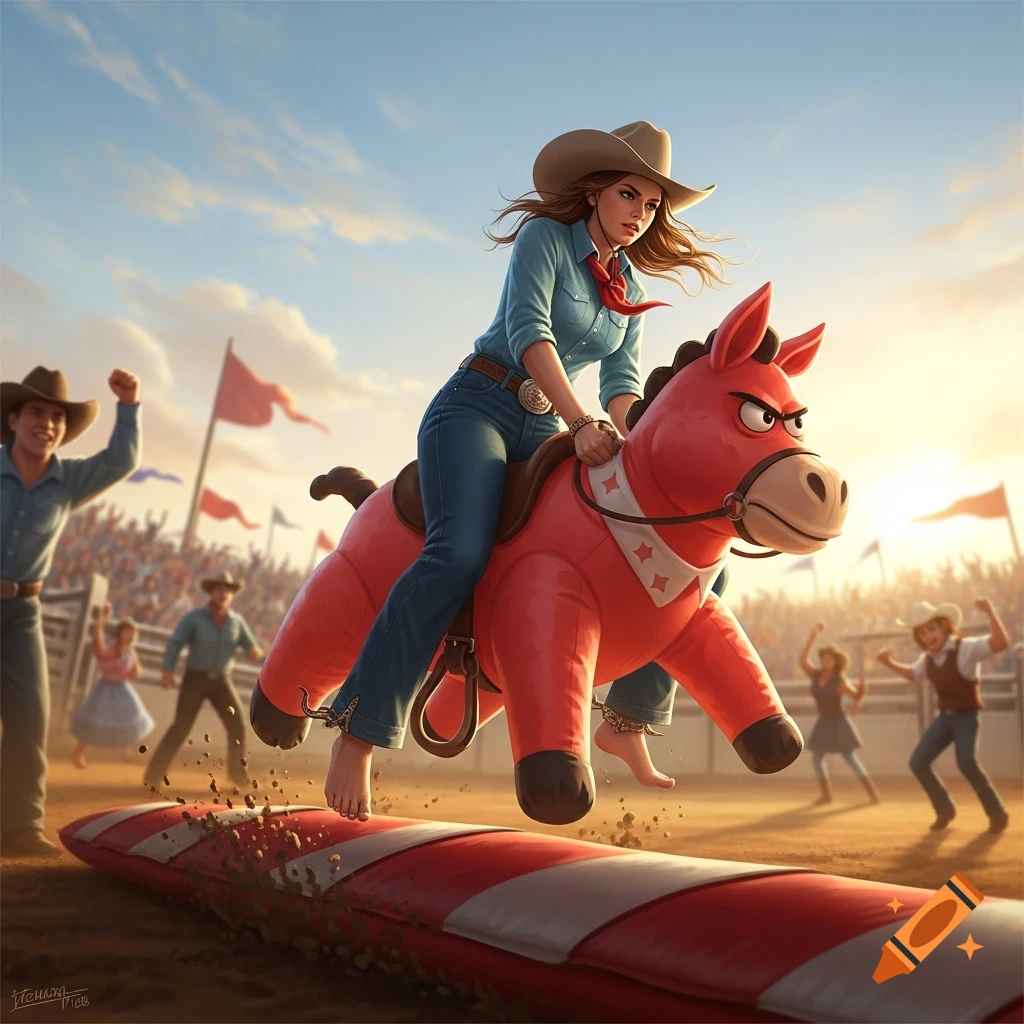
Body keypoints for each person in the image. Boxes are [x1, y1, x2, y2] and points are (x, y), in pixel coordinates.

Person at [323, 120, 733, 821]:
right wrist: (580, 424)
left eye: (653, 205)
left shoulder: (629, 284)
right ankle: (357, 735)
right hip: (479, 406)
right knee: (456, 552)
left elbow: (624, 386)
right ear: (597, 191)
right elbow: (528, 334)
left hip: (554, 424)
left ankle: (627, 721)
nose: (640, 214)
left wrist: (644, 451)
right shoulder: (547, 237)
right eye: (630, 195)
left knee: (669, 547)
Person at [0, 365, 141, 857]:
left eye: (57, 416)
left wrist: (128, 407)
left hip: (23, 613)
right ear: (13, 419)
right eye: (36, 412)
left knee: (31, 716)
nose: (48, 423)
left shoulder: (70, 480)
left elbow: (122, 459)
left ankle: (20, 825)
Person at [878, 598, 1010, 833]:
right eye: (922, 633)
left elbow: (1000, 643)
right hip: (945, 718)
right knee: (918, 762)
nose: (928, 636)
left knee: (967, 763)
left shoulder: (966, 647)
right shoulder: (927, 658)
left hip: (967, 716)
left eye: (931, 629)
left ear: (944, 627)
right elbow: (913, 675)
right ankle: (944, 809)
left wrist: (990, 610)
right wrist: (889, 663)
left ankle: (997, 813)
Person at [144, 572, 263, 789]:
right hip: (195, 679)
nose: (223, 594)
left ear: (231, 595)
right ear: (212, 592)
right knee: (181, 726)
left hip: (222, 681)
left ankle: (238, 776)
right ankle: (153, 776)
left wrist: (254, 651)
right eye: (219, 590)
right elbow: (176, 642)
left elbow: (250, 645)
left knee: (237, 725)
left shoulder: (237, 622)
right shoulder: (194, 618)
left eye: (227, 590)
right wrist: (167, 669)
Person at [799, 622, 879, 805]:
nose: (825, 661)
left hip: (838, 721)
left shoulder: (840, 681)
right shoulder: (817, 675)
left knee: (849, 757)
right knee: (817, 757)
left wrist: (862, 692)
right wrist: (812, 637)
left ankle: (872, 792)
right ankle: (826, 795)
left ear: (836, 662)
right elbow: (803, 661)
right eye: (824, 658)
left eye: (829, 659)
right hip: (824, 721)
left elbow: (856, 695)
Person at [70, 603, 153, 768]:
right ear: (119, 634)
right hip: (106, 689)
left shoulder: (130, 652)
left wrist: (131, 672)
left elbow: (136, 671)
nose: (128, 635)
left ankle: (126, 752)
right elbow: (101, 653)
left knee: (131, 717)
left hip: (122, 688)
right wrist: (101, 621)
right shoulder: (114, 650)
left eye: (131, 633)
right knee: (94, 721)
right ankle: (78, 754)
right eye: (125, 632)